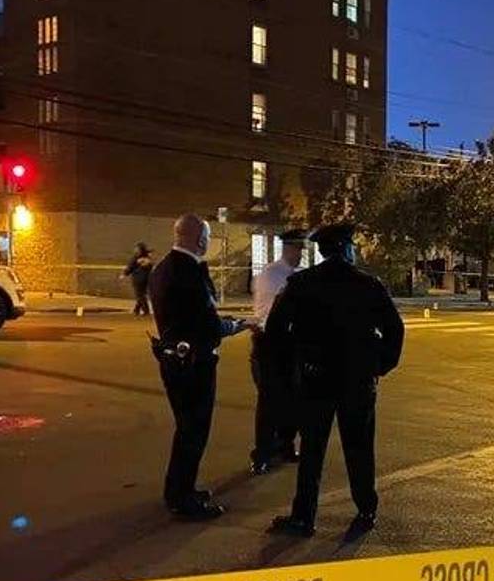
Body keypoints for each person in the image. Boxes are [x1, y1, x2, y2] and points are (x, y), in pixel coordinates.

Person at [264, 222, 404, 539]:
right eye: (352, 246)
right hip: (358, 381)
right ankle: (366, 508)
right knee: (359, 448)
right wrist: (379, 365)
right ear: (345, 249)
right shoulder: (368, 285)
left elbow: (275, 332)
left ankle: (304, 517)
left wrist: (294, 365)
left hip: (316, 379)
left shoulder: (300, 284)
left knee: (311, 452)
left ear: (324, 251)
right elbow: (394, 329)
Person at [148, 215, 248, 520]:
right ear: (201, 239)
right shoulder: (189, 273)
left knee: (185, 429)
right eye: (207, 236)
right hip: (194, 364)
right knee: (194, 431)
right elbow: (209, 325)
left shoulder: (162, 269)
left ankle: (178, 489)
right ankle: (183, 498)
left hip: (172, 359)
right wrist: (238, 325)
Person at [248, 229, 307, 475]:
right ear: (287, 248)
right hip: (269, 342)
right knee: (269, 402)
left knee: (294, 398)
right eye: (297, 248)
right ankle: (262, 453)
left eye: (302, 249)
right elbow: (271, 311)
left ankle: (285, 446)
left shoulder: (299, 275)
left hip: (292, 343)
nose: (300, 253)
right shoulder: (271, 274)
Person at [123, 242, 154, 316]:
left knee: (139, 294)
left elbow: (130, 267)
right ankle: (136, 309)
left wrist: (125, 274)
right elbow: (150, 266)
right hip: (146, 278)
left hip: (138, 279)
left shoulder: (135, 258)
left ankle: (145, 310)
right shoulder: (148, 258)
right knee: (141, 294)